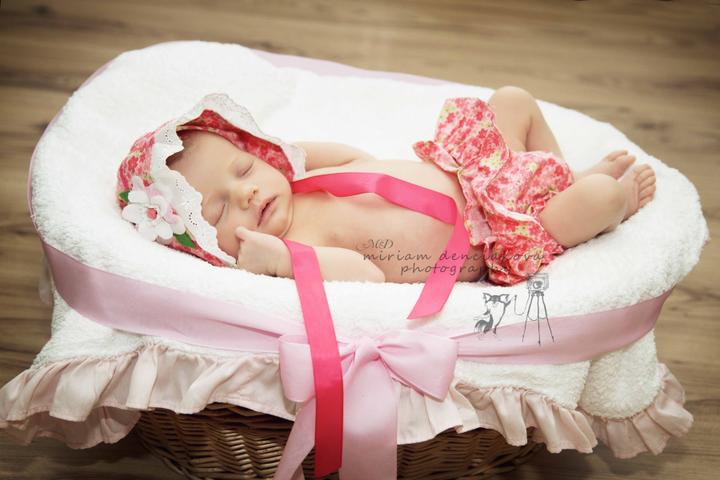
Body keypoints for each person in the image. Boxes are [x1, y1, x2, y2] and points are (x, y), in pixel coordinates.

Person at [117, 88, 655, 286]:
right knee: (602, 198)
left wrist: (286, 153)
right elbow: (367, 274)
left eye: (244, 169)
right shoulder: (299, 246)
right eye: (216, 212)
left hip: (476, 173)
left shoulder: (302, 180)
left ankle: (559, 174)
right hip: (496, 234)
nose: (248, 194)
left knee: (513, 101)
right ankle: (609, 202)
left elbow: (360, 160)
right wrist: (281, 262)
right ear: (207, 246)